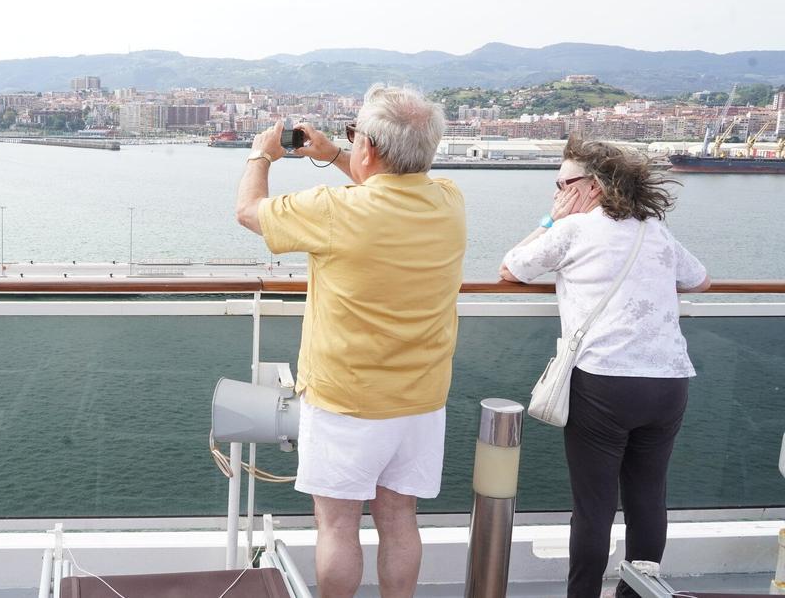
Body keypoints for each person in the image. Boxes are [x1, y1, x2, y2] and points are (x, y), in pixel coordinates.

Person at [235, 85, 466, 598]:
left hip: (347, 400)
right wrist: (337, 152)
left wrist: (261, 154)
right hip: (422, 399)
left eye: (355, 134)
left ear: (371, 147)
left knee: (338, 525)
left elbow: (249, 211)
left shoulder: (334, 211)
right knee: (399, 518)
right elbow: (386, 185)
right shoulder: (449, 200)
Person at [499, 137, 710, 598]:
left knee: (594, 507)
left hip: (604, 383)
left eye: (563, 184)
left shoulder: (573, 229)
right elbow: (700, 280)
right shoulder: (653, 228)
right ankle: (639, 594)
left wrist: (551, 219)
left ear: (592, 187)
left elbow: (511, 268)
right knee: (647, 498)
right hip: (669, 381)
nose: (557, 192)